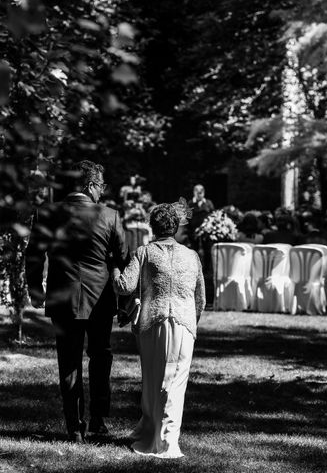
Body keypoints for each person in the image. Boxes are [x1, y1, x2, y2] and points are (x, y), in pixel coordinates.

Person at [26, 160, 129, 443]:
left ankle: (74, 427)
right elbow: (124, 259)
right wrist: (127, 300)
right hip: (100, 299)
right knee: (100, 356)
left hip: (63, 296)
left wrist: (35, 289)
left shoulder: (48, 212)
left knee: (68, 360)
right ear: (92, 185)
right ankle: (97, 419)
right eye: (102, 186)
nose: (103, 192)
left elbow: (34, 254)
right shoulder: (110, 215)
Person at [114, 202, 205, 458]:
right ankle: (163, 438)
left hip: (152, 323)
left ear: (152, 227)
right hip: (185, 323)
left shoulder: (144, 252)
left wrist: (113, 267)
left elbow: (124, 286)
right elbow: (201, 298)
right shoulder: (192, 256)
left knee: (153, 381)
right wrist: (192, 321)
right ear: (176, 227)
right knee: (175, 382)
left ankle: (156, 435)